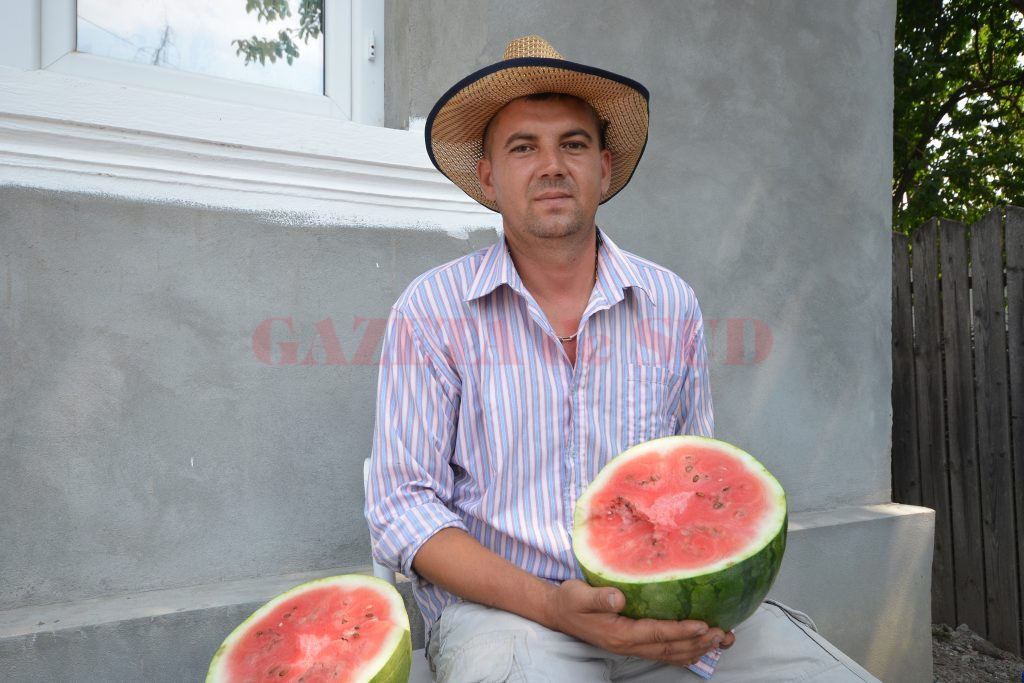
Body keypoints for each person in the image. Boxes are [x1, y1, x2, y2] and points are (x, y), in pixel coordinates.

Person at [365, 36, 879, 682]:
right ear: (489, 176)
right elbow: (402, 507)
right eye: (524, 146)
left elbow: (694, 490)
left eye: (573, 144)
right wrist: (553, 602)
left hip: (659, 608)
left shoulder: (671, 304)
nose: (551, 165)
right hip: (504, 617)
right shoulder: (431, 310)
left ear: (603, 168)